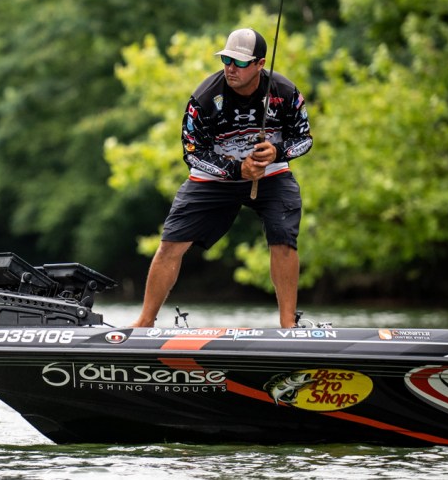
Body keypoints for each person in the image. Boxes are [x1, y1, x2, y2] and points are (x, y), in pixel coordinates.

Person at [131, 27, 313, 329]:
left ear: (259, 64)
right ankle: (144, 322)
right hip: (213, 178)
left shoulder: (285, 92)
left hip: (271, 175)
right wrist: (236, 170)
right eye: (226, 59)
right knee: (170, 244)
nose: (231, 68)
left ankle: (287, 325)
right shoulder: (204, 98)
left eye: (239, 62)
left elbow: (304, 138)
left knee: (284, 239)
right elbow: (192, 152)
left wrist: (277, 152)